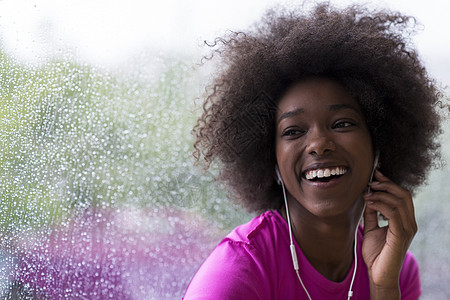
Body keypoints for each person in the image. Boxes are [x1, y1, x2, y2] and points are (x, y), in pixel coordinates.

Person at [184, 3, 445, 299]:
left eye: (342, 123)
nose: (319, 143)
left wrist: (383, 287)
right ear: (271, 162)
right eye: (293, 131)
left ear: (380, 145)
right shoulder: (238, 271)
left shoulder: (397, 267)